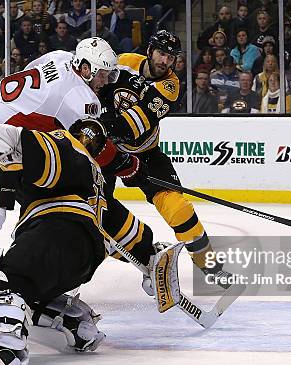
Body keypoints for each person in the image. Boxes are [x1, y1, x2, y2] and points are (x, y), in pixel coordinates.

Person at [0, 117, 180, 365]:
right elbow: (130, 235)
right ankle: (73, 322)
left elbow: (32, 147)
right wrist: (153, 259)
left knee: (4, 282)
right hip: (84, 256)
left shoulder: (67, 143)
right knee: (31, 290)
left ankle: (0, 353)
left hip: (55, 233)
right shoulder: (97, 182)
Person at [0, 37, 119, 264]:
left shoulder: (60, 56)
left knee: (43, 208)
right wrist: (123, 163)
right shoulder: (81, 100)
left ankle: (30, 271)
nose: (105, 81)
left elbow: (27, 76)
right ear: (86, 69)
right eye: (102, 74)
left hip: (12, 139)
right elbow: (89, 146)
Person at [98, 30, 233, 283]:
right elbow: (97, 86)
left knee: (178, 208)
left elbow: (133, 125)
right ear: (149, 51)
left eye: (171, 57)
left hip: (145, 154)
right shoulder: (124, 61)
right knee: (96, 213)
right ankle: (146, 258)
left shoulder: (170, 87)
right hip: (105, 153)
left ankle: (211, 268)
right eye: (161, 53)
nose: (165, 61)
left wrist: (100, 126)